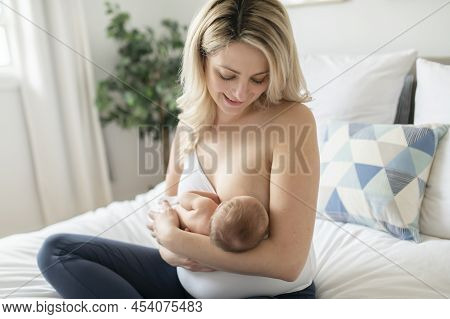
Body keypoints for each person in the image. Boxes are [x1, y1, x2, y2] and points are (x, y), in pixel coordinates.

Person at [36, 0, 319, 299]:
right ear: (201, 60)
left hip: (269, 299)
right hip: (185, 286)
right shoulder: (191, 123)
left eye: (258, 79)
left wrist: (175, 240)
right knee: (58, 252)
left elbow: (288, 263)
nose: (240, 92)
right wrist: (167, 249)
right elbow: (165, 210)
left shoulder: (290, 122)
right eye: (227, 75)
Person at [153, 191, 269, 253]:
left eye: (233, 201)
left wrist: (210, 198)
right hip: (169, 227)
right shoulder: (210, 238)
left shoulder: (206, 206)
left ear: (224, 205)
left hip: (165, 210)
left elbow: (184, 197)